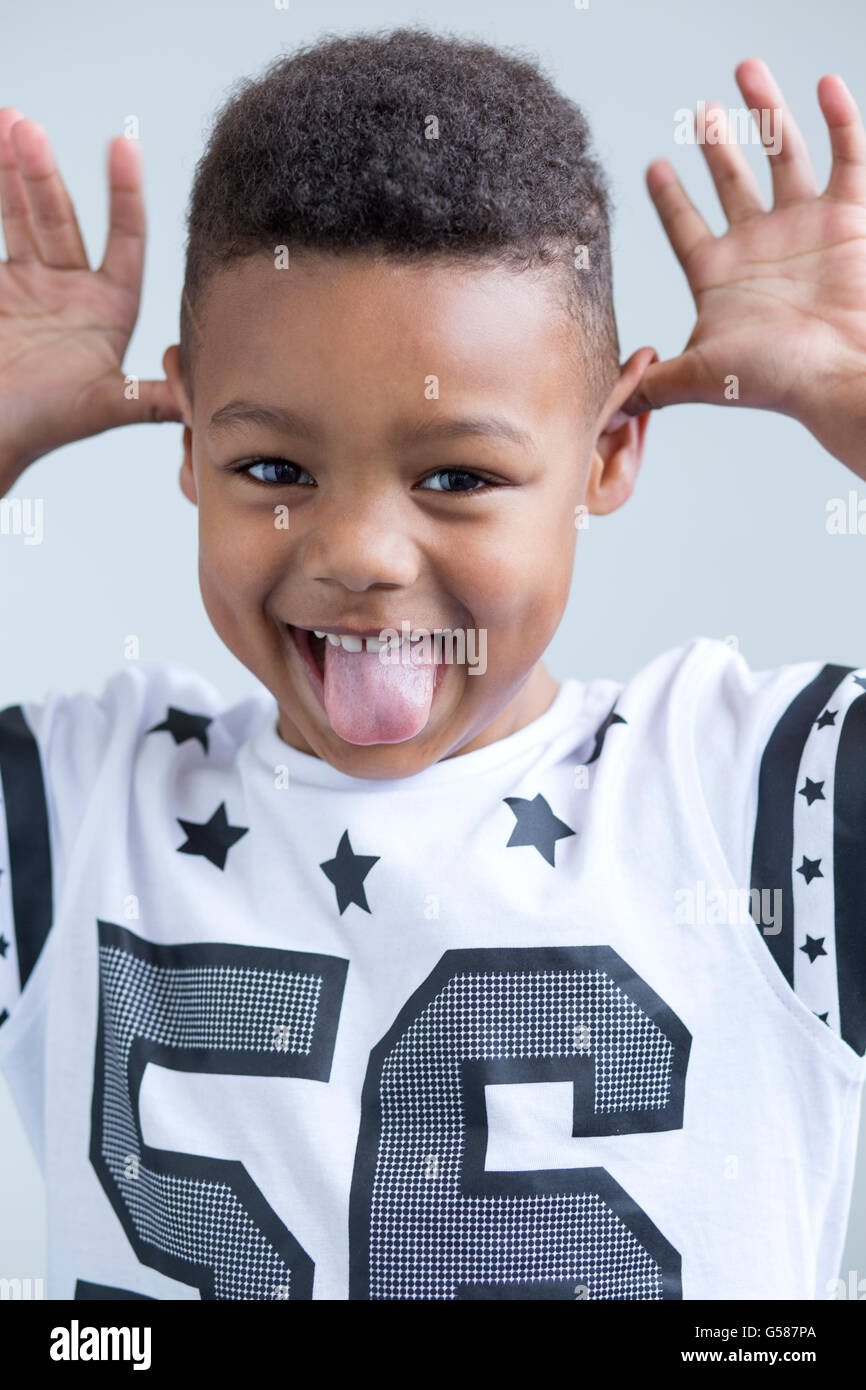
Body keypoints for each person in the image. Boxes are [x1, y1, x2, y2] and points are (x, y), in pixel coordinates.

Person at [1, 28, 864, 1301]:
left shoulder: (754, 795)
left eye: (456, 476)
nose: (358, 553)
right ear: (185, 439)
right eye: (273, 471)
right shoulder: (76, 816)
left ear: (608, 449)